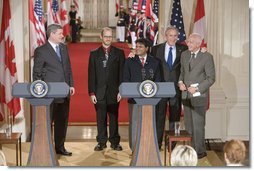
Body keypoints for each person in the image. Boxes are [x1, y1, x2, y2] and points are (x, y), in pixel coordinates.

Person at [33, 24, 75, 156]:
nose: (62, 36)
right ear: (52, 34)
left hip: (64, 92)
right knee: (47, 122)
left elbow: (68, 68)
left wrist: (71, 85)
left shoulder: (63, 48)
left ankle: (60, 147)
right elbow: (37, 73)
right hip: (49, 94)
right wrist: (40, 91)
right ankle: (46, 147)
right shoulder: (41, 50)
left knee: (62, 121)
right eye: (60, 34)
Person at [178, 33, 215, 159]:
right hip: (186, 95)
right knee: (188, 125)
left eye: (191, 42)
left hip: (199, 97)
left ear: (198, 44)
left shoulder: (207, 57)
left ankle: (199, 152)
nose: (188, 44)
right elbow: (182, 72)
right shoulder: (184, 55)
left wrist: (197, 88)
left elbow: (211, 78)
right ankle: (190, 151)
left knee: (198, 126)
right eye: (188, 41)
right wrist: (180, 82)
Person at [150, 26, 188, 150]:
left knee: (175, 117)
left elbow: (190, 61)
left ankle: (172, 144)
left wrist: (202, 49)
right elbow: (150, 66)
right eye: (170, 35)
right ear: (165, 36)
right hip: (160, 87)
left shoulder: (184, 49)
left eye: (175, 35)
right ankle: (157, 142)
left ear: (178, 37)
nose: (173, 38)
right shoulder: (155, 49)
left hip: (176, 88)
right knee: (159, 116)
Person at [88, 27, 125, 151]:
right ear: (101, 37)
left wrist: (121, 90)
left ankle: (115, 142)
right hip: (99, 92)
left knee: (114, 118)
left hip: (114, 92)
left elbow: (122, 74)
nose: (108, 39)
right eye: (106, 36)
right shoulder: (94, 54)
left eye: (110, 36)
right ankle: (101, 142)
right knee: (100, 118)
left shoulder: (119, 53)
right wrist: (92, 92)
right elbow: (91, 74)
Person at [123, 38, 161, 150]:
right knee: (134, 123)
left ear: (147, 48)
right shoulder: (129, 61)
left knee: (148, 124)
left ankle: (148, 146)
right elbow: (125, 79)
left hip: (150, 100)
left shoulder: (155, 62)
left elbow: (158, 81)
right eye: (137, 46)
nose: (137, 49)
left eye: (140, 47)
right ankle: (134, 148)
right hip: (134, 99)